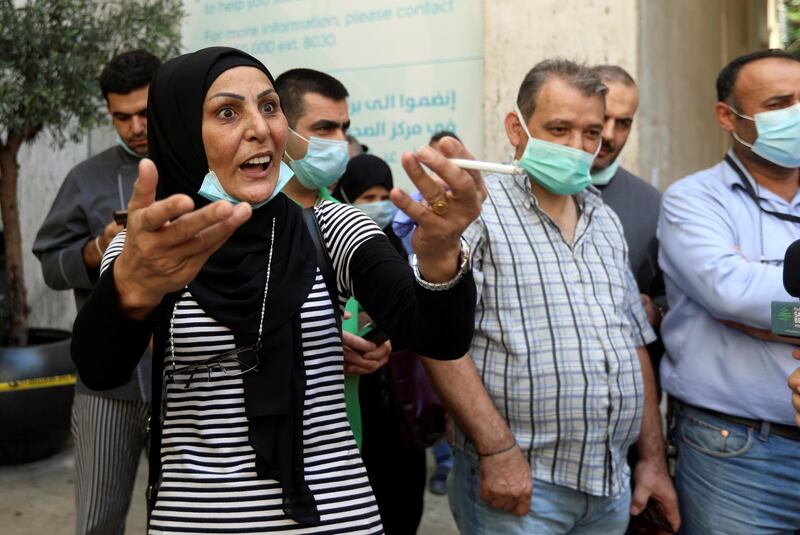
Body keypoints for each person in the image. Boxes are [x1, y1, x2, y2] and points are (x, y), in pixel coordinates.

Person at [69, 46, 484, 534]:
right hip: (197, 520)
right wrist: (131, 294)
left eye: (269, 107)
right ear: (180, 129)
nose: (260, 128)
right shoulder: (148, 246)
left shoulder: (331, 225)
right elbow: (99, 368)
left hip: (336, 520)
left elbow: (437, 334)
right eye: (228, 112)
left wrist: (439, 256)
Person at [422, 59, 679, 535]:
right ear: (516, 130)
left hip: (609, 486)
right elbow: (436, 339)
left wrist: (651, 461)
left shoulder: (604, 220)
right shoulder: (476, 213)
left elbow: (632, 342)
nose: (577, 148)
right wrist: (497, 451)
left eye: (591, 133)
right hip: (520, 487)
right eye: (558, 129)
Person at [658, 48, 800, 534]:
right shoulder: (692, 199)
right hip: (738, 455)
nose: (797, 116)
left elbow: (758, 303)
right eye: (781, 104)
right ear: (728, 117)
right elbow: (734, 293)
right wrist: (764, 309)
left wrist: (774, 319)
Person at [32, 49, 160, 535]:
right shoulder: (85, 179)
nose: (135, 127)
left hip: (197, 381)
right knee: (98, 518)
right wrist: (95, 250)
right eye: (121, 117)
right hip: (109, 384)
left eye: (146, 113)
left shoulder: (205, 165)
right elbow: (49, 263)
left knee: (188, 519)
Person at [274, 68, 390, 451]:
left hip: (341, 438)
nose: (340, 142)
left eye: (344, 128)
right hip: (265, 450)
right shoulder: (246, 219)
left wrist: (373, 342)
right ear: (281, 129)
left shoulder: (349, 219)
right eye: (324, 129)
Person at [332, 153, 427, 533]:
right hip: (354, 402)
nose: (378, 206)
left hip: (402, 405)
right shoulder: (333, 248)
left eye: (384, 195)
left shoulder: (405, 245)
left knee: (404, 502)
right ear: (347, 197)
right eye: (367, 197)